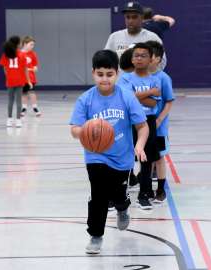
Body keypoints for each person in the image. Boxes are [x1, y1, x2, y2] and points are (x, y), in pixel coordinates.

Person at [70, 50, 149, 254]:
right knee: (98, 194)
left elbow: (142, 126)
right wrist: (87, 130)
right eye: (100, 74)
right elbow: (74, 129)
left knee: (117, 196)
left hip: (122, 158)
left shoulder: (126, 97)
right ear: (93, 73)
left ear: (117, 74)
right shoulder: (85, 99)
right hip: (96, 155)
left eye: (109, 74)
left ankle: (122, 207)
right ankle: (96, 235)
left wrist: (139, 146)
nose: (105, 79)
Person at [118, 43, 161, 210]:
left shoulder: (155, 79)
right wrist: (149, 92)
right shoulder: (126, 78)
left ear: (150, 59)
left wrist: (135, 96)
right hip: (129, 121)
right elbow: (127, 98)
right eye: (136, 55)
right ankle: (120, 195)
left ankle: (144, 194)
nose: (139, 58)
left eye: (143, 55)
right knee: (126, 157)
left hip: (147, 121)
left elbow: (152, 104)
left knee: (147, 158)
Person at [146, 40, 175, 203]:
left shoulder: (164, 78)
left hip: (158, 127)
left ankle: (161, 189)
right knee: (146, 159)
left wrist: (159, 120)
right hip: (143, 127)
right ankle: (147, 188)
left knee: (158, 158)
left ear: (158, 58)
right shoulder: (139, 77)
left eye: (151, 55)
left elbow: (169, 101)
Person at [105, 1, 166, 70]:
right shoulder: (114, 37)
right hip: (121, 80)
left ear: (142, 17)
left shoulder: (153, 37)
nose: (130, 21)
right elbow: (106, 60)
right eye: (127, 17)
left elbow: (162, 62)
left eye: (134, 17)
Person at [0, 36, 32, 128]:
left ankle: (9, 120)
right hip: (20, 80)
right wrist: (28, 81)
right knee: (19, 101)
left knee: (10, 100)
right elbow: (25, 70)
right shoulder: (22, 55)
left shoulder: (5, 54)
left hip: (10, 80)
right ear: (17, 44)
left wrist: (9, 76)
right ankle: (18, 120)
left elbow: (5, 69)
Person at [20, 36, 41, 117]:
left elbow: (35, 66)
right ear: (25, 44)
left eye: (33, 45)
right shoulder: (19, 54)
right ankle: (24, 108)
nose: (32, 46)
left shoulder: (33, 54)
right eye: (31, 44)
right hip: (22, 78)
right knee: (24, 93)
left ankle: (35, 107)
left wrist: (34, 68)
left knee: (31, 92)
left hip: (31, 77)